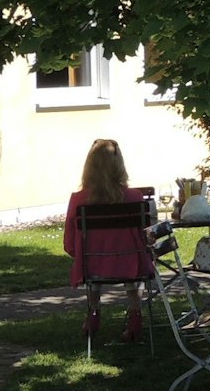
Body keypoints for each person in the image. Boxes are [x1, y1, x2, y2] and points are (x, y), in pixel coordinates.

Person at [63, 139, 153, 345]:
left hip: (92, 265)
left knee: (93, 261)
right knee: (134, 255)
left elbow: (69, 243)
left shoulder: (78, 200)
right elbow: (145, 238)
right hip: (130, 264)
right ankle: (135, 315)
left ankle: (94, 313)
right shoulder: (134, 197)